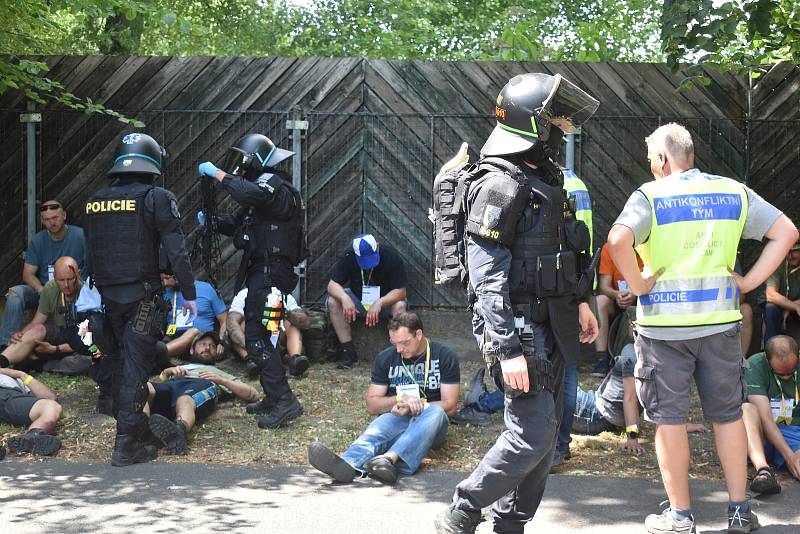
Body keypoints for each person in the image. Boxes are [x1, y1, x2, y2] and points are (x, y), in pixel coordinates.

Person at [608, 122, 798, 533]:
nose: (651, 168)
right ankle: (738, 512)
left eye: (651, 161)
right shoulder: (732, 191)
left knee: (669, 422)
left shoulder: (650, 196)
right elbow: (786, 233)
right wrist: (749, 284)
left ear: (661, 159)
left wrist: (639, 285)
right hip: (721, 326)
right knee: (728, 417)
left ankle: (680, 517)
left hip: (663, 331)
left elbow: (618, 239)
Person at [435, 72, 600, 534]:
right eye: (550, 120)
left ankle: (510, 523)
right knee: (532, 433)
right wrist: (507, 348)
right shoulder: (498, 184)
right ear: (533, 125)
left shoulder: (543, 179)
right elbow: (486, 278)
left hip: (553, 321)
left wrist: (582, 301)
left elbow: (563, 252)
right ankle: (463, 509)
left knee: (545, 438)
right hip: (518, 328)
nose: (556, 129)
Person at [84, 132, 197, 467]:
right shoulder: (156, 197)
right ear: (151, 163)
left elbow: (92, 252)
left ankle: (139, 431)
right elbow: (177, 250)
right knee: (136, 368)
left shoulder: (96, 200)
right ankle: (125, 444)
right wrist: (189, 292)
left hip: (108, 297)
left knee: (121, 364)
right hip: (143, 299)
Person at [197, 133, 305, 429]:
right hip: (262, 271)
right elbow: (238, 221)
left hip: (271, 273)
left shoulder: (274, 185)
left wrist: (217, 174)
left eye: (242, 165)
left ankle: (284, 401)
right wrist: (212, 223)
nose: (239, 172)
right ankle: (274, 397)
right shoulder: (262, 193)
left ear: (253, 160)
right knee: (262, 335)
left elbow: (249, 194)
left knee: (257, 336)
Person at [308, 312, 459, 484]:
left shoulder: (445, 356)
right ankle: (347, 464)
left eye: (404, 343)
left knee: (437, 412)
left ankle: (389, 459)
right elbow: (372, 404)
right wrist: (398, 400)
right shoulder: (386, 358)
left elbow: (450, 405)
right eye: (394, 343)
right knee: (380, 426)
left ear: (418, 334)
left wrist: (418, 405)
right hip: (399, 416)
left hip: (431, 424)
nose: (399, 349)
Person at [145, 333, 261, 454]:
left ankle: (179, 431)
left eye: (212, 346)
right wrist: (166, 372)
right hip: (172, 384)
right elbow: (159, 383)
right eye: (203, 344)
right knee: (144, 389)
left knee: (185, 399)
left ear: (217, 353)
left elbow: (253, 394)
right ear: (191, 350)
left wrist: (222, 380)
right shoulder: (179, 367)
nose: (207, 348)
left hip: (201, 383)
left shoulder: (217, 372)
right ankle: (141, 430)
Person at [0, 199, 85, 349]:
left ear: (64, 215)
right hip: (44, 290)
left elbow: (92, 266)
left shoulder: (80, 236)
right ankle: (6, 345)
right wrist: (41, 289)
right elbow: (28, 274)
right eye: (47, 220)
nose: (52, 223)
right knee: (14, 293)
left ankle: (77, 347)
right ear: (42, 221)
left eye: (55, 218)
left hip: (72, 290)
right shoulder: (38, 240)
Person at [326, 233, 408, 369]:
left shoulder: (390, 255)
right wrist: (344, 298)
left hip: (384, 303)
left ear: (377, 248)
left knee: (400, 305)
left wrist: (380, 302)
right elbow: (331, 285)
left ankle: (400, 353)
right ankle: (348, 352)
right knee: (333, 302)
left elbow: (401, 291)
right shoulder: (349, 255)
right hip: (359, 301)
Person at [0, 256, 89, 373]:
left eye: (70, 279)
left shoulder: (88, 293)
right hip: (60, 333)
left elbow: (89, 339)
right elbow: (37, 322)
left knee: (90, 358)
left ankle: (41, 365)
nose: (66, 285)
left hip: (82, 340)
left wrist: (54, 349)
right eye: (61, 280)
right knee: (38, 329)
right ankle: (2, 362)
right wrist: (21, 335)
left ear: (78, 274)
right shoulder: (50, 288)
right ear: (55, 277)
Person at [742, 335, 800, 495]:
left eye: (792, 371)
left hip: (793, 431)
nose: (787, 376)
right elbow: (765, 418)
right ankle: (763, 470)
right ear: (767, 360)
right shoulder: (754, 364)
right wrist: (790, 457)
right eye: (781, 374)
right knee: (746, 409)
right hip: (763, 433)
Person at [226, 286, 310, 378]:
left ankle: (295, 359)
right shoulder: (244, 294)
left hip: (278, 339)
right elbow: (231, 323)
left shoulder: (283, 294)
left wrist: (286, 313)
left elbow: (305, 322)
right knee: (240, 325)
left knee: (292, 325)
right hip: (253, 342)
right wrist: (249, 345)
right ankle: (251, 361)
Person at [592, 243, 643, 377]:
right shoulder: (610, 247)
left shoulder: (647, 247)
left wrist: (635, 294)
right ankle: (601, 359)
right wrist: (617, 295)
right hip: (617, 300)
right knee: (600, 301)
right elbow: (604, 286)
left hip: (641, 300)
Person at [160, 273, 226, 362]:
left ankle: (156, 354)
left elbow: (225, 319)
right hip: (172, 337)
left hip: (200, 338)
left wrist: (222, 342)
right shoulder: (165, 292)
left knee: (193, 332)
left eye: (167, 278)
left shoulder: (206, 289)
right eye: (162, 279)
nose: (165, 283)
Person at [0, 367, 62, 456]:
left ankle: (32, 438)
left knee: (52, 406)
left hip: (11, 397)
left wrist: (21, 374)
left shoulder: (14, 378)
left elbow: (50, 397)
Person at [762, 241, 800, 346]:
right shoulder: (778, 265)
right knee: (770, 308)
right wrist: (794, 307)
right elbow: (770, 294)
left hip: (792, 309)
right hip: (780, 308)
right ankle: (769, 351)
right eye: (787, 251)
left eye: (795, 251)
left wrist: (789, 308)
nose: (790, 255)